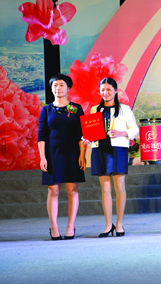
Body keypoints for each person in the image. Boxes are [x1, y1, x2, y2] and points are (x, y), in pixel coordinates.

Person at [86, 77, 139, 237]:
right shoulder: (95, 109)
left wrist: (121, 133)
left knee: (119, 187)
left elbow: (135, 129)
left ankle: (120, 223)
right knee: (105, 189)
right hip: (99, 149)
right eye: (102, 90)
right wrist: (87, 137)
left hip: (118, 149)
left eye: (109, 89)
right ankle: (108, 225)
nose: (105, 92)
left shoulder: (124, 109)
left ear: (116, 91)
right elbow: (91, 130)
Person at [38, 74, 86, 240]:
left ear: (68, 88)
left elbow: (82, 134)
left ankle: (70, 226)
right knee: (53, 189)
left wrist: (82, 154)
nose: (58, 88)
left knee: (72, 190)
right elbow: (41, 135)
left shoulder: (76, 108)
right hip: (52, 154)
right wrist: (42, 157)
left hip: (72, 153)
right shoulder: (46, 110)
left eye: (62, 85)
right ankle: (54, 227)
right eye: (55, 85)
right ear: (51, 89)